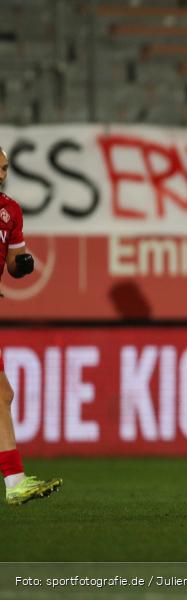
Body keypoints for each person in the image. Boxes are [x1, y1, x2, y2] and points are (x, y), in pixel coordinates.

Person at [0, 146, 62, 505]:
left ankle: (15, 482)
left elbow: (12, 263)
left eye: (5, 168)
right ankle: (15, 482)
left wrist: (22, 265)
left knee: (2, 395)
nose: (2, 174)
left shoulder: (10, 212)